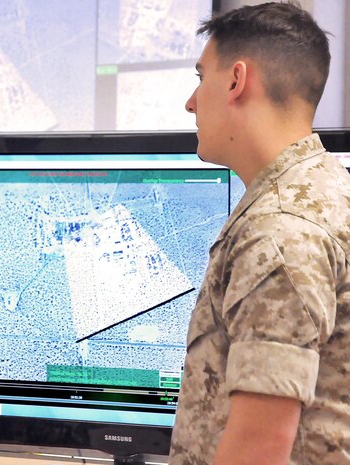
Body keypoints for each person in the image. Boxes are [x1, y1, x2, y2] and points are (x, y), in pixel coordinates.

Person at [169, 2, 350, 465]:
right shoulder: (327, 189)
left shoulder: (280, 231)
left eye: (200, 78)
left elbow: (259, 445)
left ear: (236, 80)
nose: (191, 102)